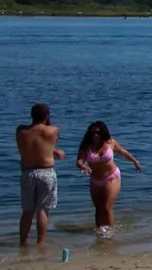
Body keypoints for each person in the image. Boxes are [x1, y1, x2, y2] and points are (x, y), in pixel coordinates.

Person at [75, 121, 141, 233]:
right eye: (93, 133)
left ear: (103, 133)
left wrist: (135, 161)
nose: (95, 135)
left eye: (98, 133)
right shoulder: (86, 146)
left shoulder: (111, 142)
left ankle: (109, 234)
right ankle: (99, 233)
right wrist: (82, 166)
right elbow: (79, 160)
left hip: (111, 177)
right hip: (95, 180)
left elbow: (123, 152)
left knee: (106, 207)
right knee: (98, 209)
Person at [15, 103, 66, 247]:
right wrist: (54, 151)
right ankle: (40, 242)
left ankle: (23, 243)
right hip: (46, 172)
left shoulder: (21, 131)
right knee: (43, 210)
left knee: (27, 211)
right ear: (47, 116)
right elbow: (47, 140)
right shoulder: (53, 130)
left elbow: (34, 142)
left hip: (28, 173)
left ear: (31, 115)